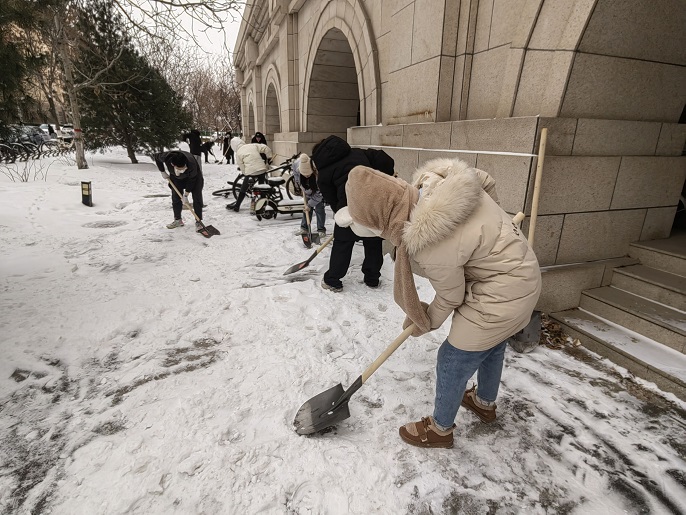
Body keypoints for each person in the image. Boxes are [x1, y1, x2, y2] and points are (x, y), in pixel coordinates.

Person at [341, 158, 542, 449]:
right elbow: (485, 178)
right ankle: (484, 403)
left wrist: (424, 321)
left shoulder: (430, 239)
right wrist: (493, 228)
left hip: (500, 297)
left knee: (452, 358)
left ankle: (439, 429)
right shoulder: (440, 183)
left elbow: (451, 296)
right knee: (493, 345)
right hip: (525, 278)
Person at [311, 135, 395, 292]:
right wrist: (386, 176)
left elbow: (331, 198)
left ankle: (333, 280)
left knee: (342, 244)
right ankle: (372, 278)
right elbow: (385, 160)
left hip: (348, 208)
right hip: (373, 204)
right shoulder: (358, 152)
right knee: (373, 241)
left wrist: (341, 213)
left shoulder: (324, 172)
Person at [154, 150, 206, 232]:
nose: (182, 170)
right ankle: (178, 220)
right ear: (173, 164)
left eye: (183, 167)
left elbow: (192, 180)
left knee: (197, 197)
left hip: (194, 177)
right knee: (176, 197)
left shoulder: (191, 164)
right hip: (176, 177)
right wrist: (162, 171)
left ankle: (198, 221)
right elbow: (156, 157)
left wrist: (186, 195)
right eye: (179, 168)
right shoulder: (166, 157)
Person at [226, 138, 272, 212]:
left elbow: (241, 166)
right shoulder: (252, 145)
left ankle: (237, 206)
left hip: (251, 172)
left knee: (243, 189)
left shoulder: (238, 153)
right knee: (262, 187)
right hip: (262, 169)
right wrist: (269, 158)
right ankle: (263, 204)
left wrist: (245, 174)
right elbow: (265, 148)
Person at [293, 154, 326, 237]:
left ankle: (321, 229)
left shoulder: (318, 172)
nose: (306, 176)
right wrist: (298, 184)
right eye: (304, 174)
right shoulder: (297, 165)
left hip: (316, 190)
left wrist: (309, 205)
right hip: (307, 190)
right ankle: (304, 228)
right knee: (306, 209)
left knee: (319, 209)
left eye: (308, 174)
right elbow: (296, 175)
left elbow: (319, 194)